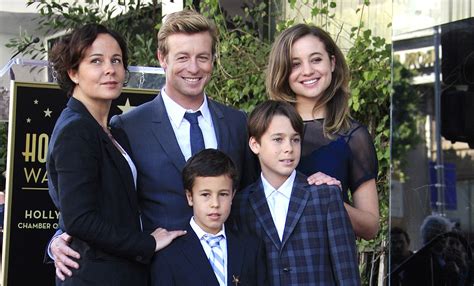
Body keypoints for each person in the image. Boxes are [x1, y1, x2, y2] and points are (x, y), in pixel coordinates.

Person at [49, 10, 338, 279]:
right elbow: (99, 197)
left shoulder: (237, 123)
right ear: (163, 58)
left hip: (231, 273)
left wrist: (308, 185)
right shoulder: (126, 127)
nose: (194, 67)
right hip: (159, 274)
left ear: (213, 60)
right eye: (183, 57)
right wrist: (58, 238)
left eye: (203, 57)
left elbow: (258, 192)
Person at [46, 24, 185, 285]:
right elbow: (79, 219)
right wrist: (146, 242)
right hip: (95, 277)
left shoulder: (112, 129)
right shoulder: (76, 130)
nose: (110, 69)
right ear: (73, 72)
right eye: (96, 61)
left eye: (116, 60)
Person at [266, 23, 379, 239]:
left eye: (316, 59)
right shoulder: (263, 131)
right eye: (295, 64)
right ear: (282, 71)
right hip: (270, 265)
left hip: (327, 266)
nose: (308, 71)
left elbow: (371, 227)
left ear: (333, 62)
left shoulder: (353, 136)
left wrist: (330, 198)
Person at [231, 100, 360, 285]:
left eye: (295, 139)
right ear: (255, 144)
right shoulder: (240, 205)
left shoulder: (325, 196)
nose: (288, 148)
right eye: (278, 139)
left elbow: (347, 272)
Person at [152, 149, 267, 286]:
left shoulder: (251, 247)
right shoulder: (168, 254)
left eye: (223, 194)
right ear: (190, 197)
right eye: (206, 195)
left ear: (232, 195)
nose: (215, 204)